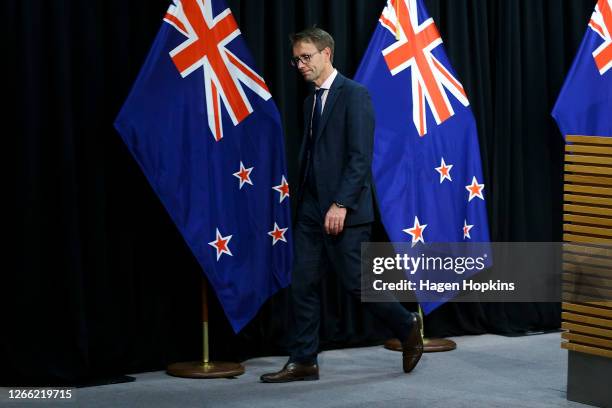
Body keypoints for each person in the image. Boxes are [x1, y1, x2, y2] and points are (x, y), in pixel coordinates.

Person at [260, 27, 423, 383]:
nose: (300, 65)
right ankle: (304, 360)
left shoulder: (355, 95)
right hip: (309, 209)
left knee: (358, 284)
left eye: (306, 57)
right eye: (296, 59)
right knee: (302, 284)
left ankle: (406, 324)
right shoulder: (309, 101)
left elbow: (359, 157)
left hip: (343, 209)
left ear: (327, 54)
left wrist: (340, 203)